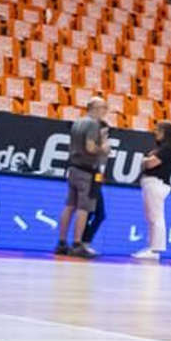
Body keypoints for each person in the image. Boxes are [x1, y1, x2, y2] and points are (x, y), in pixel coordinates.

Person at [56, 97, 109, 259]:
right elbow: (91, 147)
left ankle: (62, 243)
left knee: (69, 205)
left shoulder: (77, 122)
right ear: (95, 108)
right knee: (83, 208)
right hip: (86, 171)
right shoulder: (93, 124)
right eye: (103, 108)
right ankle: (77, 244)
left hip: (73, 167)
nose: (105, 111)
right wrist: (104, 148)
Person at [134, 121, 171, 260]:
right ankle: (151, 247)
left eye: (159, 130)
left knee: (156, 217)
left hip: (157, 184)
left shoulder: (168, 148)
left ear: (166, 133)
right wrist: (146, 160)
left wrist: (145, 161)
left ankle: (156, 249)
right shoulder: (160, 148)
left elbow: (151, 163)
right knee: (151, 217)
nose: (155, 132)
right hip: (150, 183)